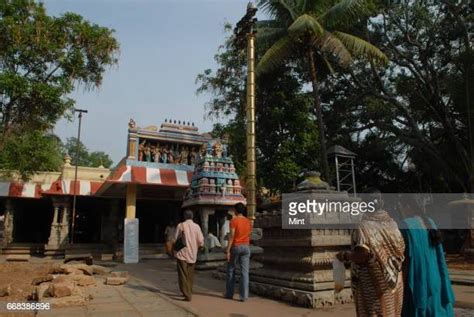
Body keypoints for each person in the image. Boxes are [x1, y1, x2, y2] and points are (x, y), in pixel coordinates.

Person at [337, 190, 405, 317]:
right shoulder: (393, 224)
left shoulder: (364, 226)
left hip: (374, 283)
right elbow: (401, 249)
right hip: (394, 280)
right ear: (382, 203)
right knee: (392, 312)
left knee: (375, 312)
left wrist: (346, 256)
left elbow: (362, 255)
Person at [399, 196, 455, 317]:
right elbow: (440, 255)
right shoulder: (430, 222)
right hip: (436, 278)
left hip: (419, 280)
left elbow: (406, 259)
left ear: (408, 207)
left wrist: (402, 282)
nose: (401, 211)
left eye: (401, 208)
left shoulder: (406, 226)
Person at [174, 210, 204, 301]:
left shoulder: (180, 225)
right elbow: (201, 241)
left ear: (184, 216)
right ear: (192, 217)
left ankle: (187, 294)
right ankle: (189, 291)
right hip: (193, 253)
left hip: (182, 253)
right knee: (190, 275)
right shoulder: (197, 226)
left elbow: (175, 238)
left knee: (182, 274)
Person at [225, 203, 252, 301]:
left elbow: (231, 236)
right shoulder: (248, 221)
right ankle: (244, 296)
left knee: (231, 269)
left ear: (236, 210)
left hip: (236, 246)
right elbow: (249, 233)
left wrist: (227, 250)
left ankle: (229, 294)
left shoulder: (233, 220)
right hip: (246, 246)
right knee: (245, 272)